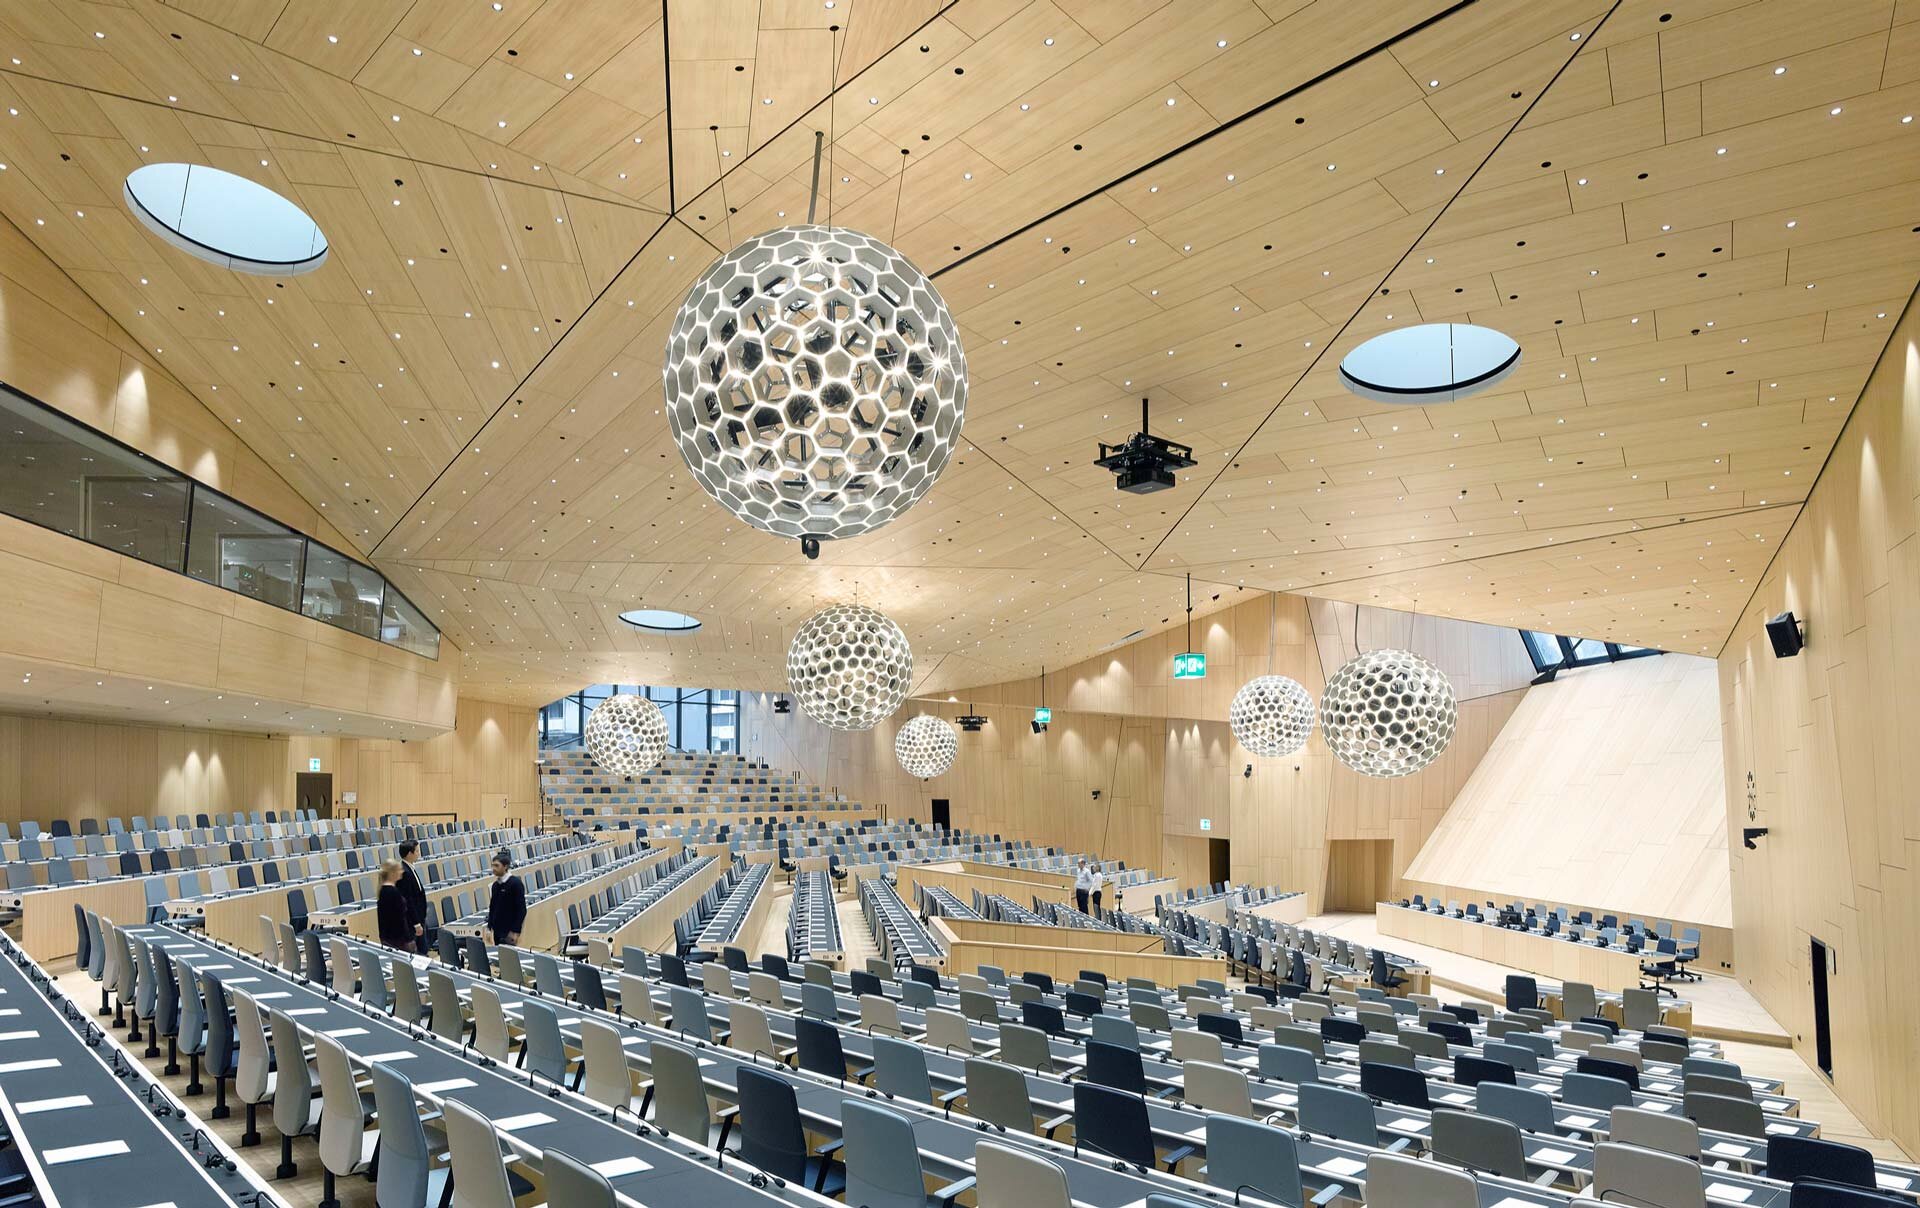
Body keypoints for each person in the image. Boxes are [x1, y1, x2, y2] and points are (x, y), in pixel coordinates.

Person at [486, 850, 526, 947]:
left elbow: (521, 910)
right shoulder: (495, 885)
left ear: (505, 867)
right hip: (497, 931)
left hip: (509, 932)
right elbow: (493, 907)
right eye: (492, 865)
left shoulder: (515, 884)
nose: (493, 868)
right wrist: (489, 927)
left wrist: (515, 931)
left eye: (496, 866)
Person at [397, 839, 429, 954]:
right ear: (409, 854)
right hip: (412, 923)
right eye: (417, 851)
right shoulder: (404, 872)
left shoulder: (409, 868)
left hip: (419, 919)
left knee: (423, 950)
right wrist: (416, 924)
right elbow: (408, 900)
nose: (419, 853)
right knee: (419, 952)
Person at [376, 859, 413, 950]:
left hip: (388, 937)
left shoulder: (383, 890)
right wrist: (408, 939)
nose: (402, 872)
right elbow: (399, 918)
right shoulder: (392, 892)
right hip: (398, 939)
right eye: (399, 870)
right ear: (392, 873)